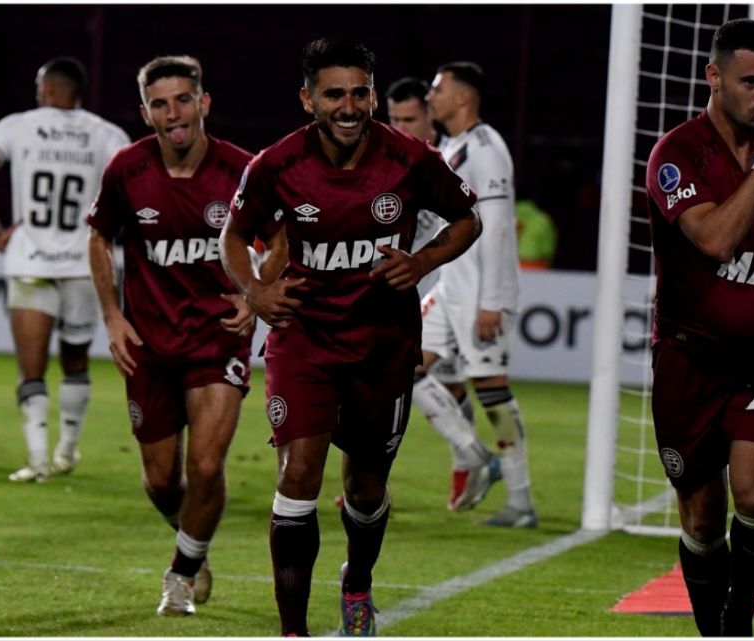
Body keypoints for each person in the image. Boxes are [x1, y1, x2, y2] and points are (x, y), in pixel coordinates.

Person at [219, 38, 481, 637]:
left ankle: (357, 580)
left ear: (371, 94)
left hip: (382, 344)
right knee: (298, 473)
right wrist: (256, 294)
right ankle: (293, 631)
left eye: (359, 92)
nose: (348, 105)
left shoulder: (409, 158)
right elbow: (233, 237)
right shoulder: (276, 165)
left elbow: (470, 219)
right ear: (307, 98)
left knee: (365, 487)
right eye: (333, 93)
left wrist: (419, 263)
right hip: (303, 338)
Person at [644, 19, 754, 637]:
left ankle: (740, 614)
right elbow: (718, 240)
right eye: (751, 82)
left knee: (753, 497)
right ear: (713, 77)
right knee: (700, 519)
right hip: (688, 363)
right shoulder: (676, 154)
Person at [86, 55, 283, 617]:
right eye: (160, 103)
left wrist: (256, 296)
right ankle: (192, 537)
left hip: (215, 340)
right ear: (146, 113)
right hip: (146, 346)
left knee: (204, 467)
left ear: (204, 103)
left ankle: (181, 573)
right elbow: (99, 238)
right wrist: (111, 315)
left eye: (182, 99)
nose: (173, 113)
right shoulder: (126, 168)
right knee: (159, 482)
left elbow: (283, 237)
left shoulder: (242, 171)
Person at [0, 57, 129, 482]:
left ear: (51, 89)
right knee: (75, 361)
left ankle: (36, 460)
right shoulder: (107, 134)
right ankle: (65, 452)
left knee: (30, 366)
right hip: (82, 261)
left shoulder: (17, 125)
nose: (39, 93)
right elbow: (130, 187)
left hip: (30, 257)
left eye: (41, 86)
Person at [412, 61, 535, 526]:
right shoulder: (453, 146)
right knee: (400, 362)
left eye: (437, 88)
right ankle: (472, 452)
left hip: (483, 292)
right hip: (451, 287)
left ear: (462, 97)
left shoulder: (487, 147)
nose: (430, 97)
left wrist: (493, 302)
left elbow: (500, 227)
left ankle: (521, 501)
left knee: (492, 392)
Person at [386, 76, 443, 297]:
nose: (399, 128)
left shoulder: (454, 164)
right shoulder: (378, 167)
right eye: (394, 119)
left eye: (409, 120)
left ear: (430, 114)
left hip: (436, 297)